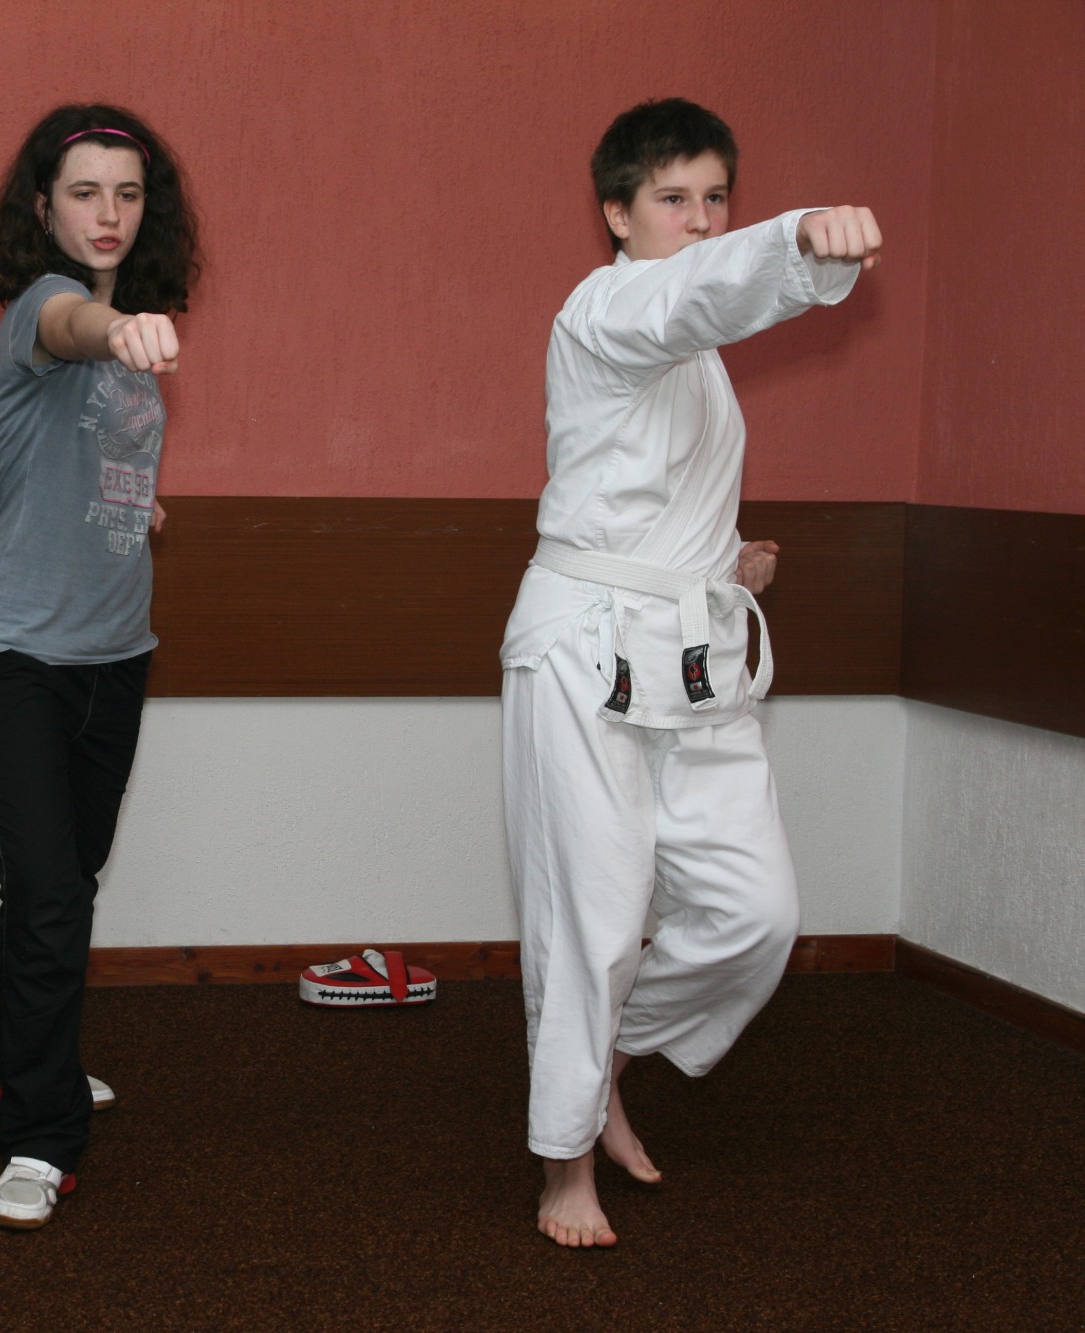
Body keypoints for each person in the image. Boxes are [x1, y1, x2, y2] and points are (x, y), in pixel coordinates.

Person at [499, 98, 882, 1248]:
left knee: (755, 911)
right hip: (582, 650)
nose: (699, 218)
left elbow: (643, 490)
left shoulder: (694, 357)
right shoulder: (607, 306)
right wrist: (796, 239)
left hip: (690, 647)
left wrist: (723, 563)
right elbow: (699, 292)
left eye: (716, 197)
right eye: (673, 199)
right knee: (594, 914)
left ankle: (606, 1060)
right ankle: (563, 1160)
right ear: (616, 215)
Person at [0, 104, 200, 1230]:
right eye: (85, 192)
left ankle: (0, 1054)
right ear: (44, 207)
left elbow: (83, 460)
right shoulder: (46, 312)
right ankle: (38, 1136)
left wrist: (133, 504)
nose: (108, 213)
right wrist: (117, 328)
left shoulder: (130, 346)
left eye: (128, 194)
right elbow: (70, 328)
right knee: (52, 897)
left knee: (57, 885)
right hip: (15, 658)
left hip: (116, 654)